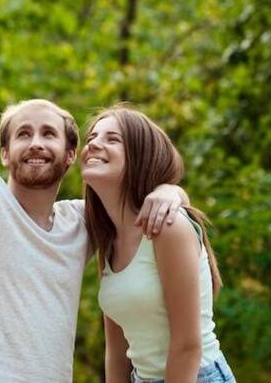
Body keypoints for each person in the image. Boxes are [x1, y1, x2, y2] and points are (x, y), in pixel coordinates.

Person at [0, 0, 190, 382]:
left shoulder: (83, 222)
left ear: (69, 155)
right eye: (23, 134)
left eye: (48, 134)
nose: (36, 143)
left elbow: (135, 208)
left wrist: (171, 191)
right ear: (5, 154)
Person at [82, 106, 235, 383]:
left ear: (140, 156)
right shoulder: (109, 241)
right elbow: (117, 353)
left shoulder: (167, 227)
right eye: (92, 137)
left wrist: (173, 190)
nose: (93, 144)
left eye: (112, 139)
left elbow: (188, 347)